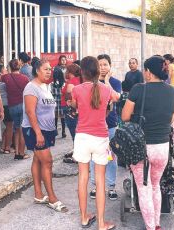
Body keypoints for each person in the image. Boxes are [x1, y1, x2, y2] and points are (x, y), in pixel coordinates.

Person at [121, 55, 174, 230]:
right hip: (162, 148)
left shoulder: (138, 89)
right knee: (155, 186)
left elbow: (124, 117)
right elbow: (172, 118)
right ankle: (157, 224)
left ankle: (151, 226)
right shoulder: (172, 91)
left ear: (148, 72)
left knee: (143, 188)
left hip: (141, 148)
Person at [70, 56, 119, 230]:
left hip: (82, 137)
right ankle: (100, 223)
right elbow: (117, 97)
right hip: (101, 138)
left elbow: (75, 106)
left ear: (82, 72)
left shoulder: (76, 89)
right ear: (98, 71)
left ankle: (84, 218)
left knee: (82, 178)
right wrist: (106, 80)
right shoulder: (105, 90)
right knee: (100, 180)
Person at [22, 58, 68, 213]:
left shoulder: (45, 86)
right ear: (37, 70)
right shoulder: (31, 88)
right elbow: (30, 112)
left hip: (47, 130)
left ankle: (38, 194)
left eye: (50, 69)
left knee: (38, 159)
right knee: (47, 162)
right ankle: (52, 198)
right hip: (35, 130)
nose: (49, 71)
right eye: (46, 69)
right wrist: (38, 133)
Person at [89, 54, 122, 201]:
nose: (102, 68)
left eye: (105, 65)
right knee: (94, 157)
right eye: (100, 65)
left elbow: (116, 98)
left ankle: (111, 186)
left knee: (110, 157)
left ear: (110, 66)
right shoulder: (91, 83)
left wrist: (107, 82)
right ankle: (95, 185)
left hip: (110, 126)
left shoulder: (115, 82)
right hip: (94, 127)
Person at [0, 59, 30, 159]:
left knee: (16, 129)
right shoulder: (25, 78)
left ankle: (17, 152)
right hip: (22, 105)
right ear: (19, 67)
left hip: (11, 106)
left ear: (10, 67)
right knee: (22, 130)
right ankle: (21, 153)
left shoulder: (6, 77)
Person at [62, 64, 82, 163]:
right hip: (76, 110)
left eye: (67, 71)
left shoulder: (72, 82)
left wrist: (70, 104)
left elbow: (69, 94)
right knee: (76, 132)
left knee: (74, 132)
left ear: (70, 72)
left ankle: (77, 156)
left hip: (70, 110)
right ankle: (76, 151)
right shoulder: (80, 80)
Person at [0, 65, 14, 154]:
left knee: (7, 127)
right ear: (1, 73)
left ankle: (3, 146)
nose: (6, 71)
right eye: (5, 70)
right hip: (6, 106)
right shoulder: (4, 82)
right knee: (10, 127)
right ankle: (8, 148)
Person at [51, 55, 67, 138]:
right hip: (60, 98)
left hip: (58, 99)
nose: (64, 61)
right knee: (59, 116)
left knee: (59, 116)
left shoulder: (67, 69)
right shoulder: (57, 69)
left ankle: (61, 131)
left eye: (65, 59)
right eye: (62, 60)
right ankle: (59, 131)